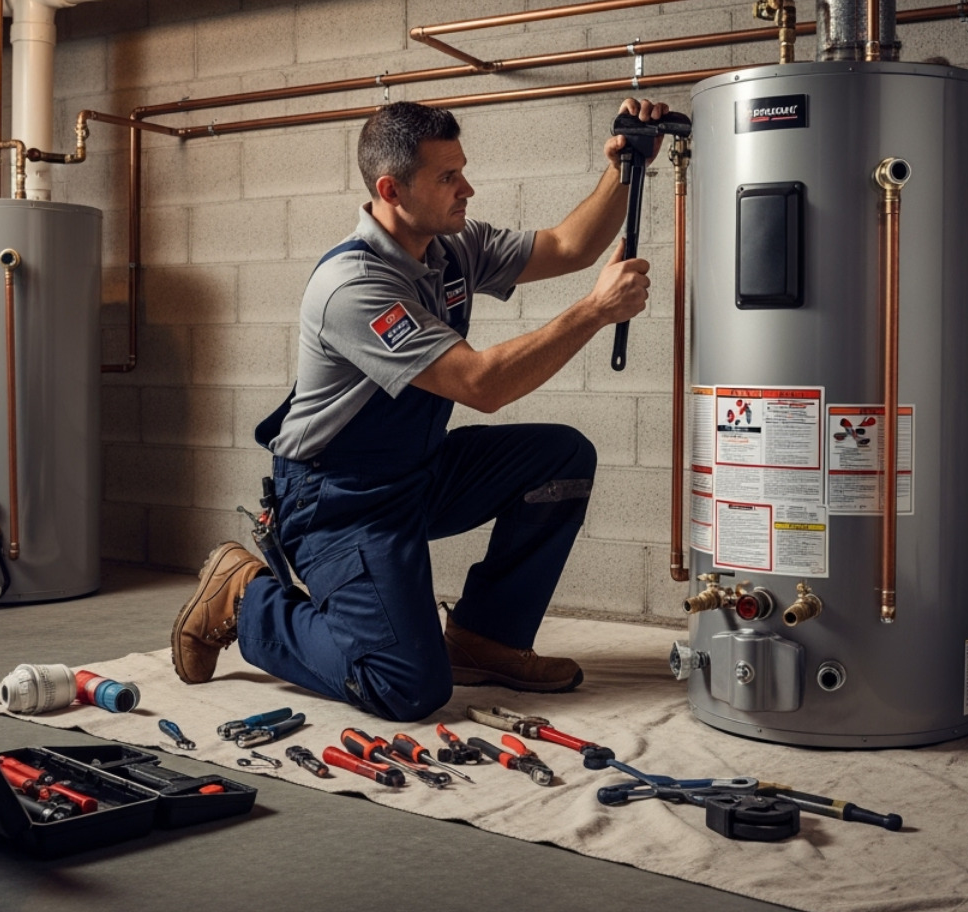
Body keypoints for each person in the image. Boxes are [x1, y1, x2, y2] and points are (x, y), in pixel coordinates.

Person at [171, 97, 668, 721]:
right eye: (447, 177)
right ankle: (246, 598)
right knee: (405, 686)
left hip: (416, 471)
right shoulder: (355, 286)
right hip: (337, 500)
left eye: (462, 170)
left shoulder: (451, 246)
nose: (467, 189)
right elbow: (481, 385)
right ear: (392, 190)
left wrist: (624, 166)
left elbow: (570, 246)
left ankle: (485, 640)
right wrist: (594, 312)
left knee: (560, 458)